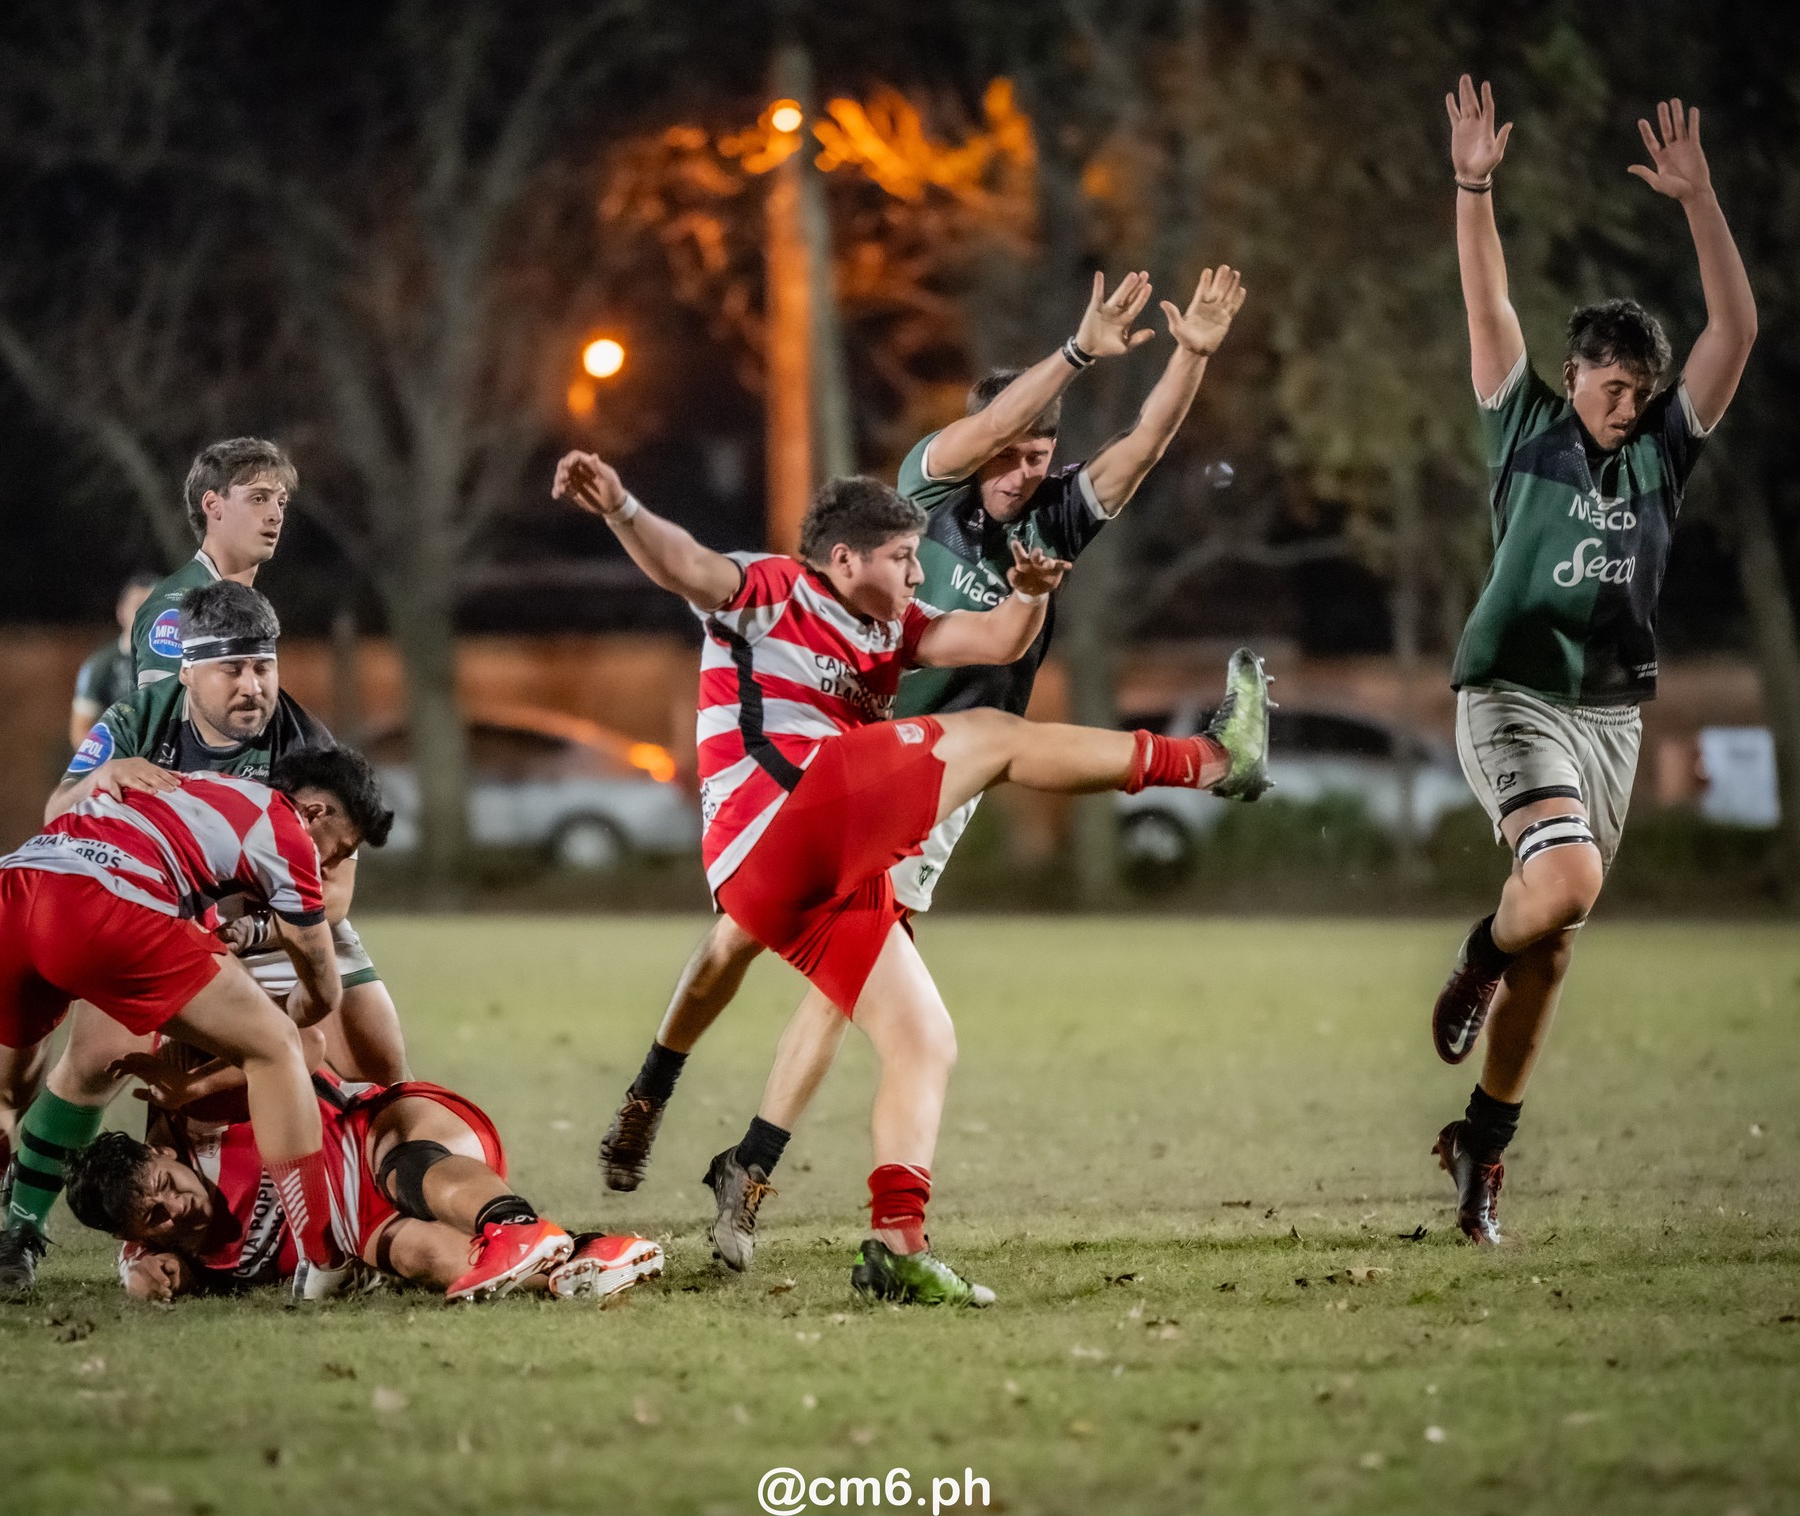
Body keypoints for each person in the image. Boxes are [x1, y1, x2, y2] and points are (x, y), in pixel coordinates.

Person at [596, 267, 1252, 1274]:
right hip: (868, 775)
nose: (1023, 470)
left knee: (895, 1016)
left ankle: (827, 1205)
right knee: (746, 947)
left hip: (918, 789)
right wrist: (1073, 354)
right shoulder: (918, 499)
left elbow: (1121, 474)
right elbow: (695, 569)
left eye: (1039, 454)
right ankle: (688, 1119)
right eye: (1010, 449)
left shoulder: (1022, 538)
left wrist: (1192, 356)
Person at [1427, 79, 1756, 1243]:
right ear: (1573, 377)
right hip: (1509, 696)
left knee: (1553, 951)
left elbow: (1735, 330)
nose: (1627, 406)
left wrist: (1699, 199)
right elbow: (1487, 298)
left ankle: (1482, 1145)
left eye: (1640, 392)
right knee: (1560, 889)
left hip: (1607, 717)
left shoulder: (1663, 453)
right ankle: (1475, 954)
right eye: (1610, 388)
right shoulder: (1520, 426)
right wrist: (1473, 185)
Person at [0, 582, 413, 1295]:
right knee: (98, 1057)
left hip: (283, 923)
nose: (252, 685)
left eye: (263, 667)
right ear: (189, 671)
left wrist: (263, 930)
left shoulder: (305, 743)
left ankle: (395, 1202)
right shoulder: (137, 718)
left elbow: (334, 892)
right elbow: (57, 811)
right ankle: (23, 1231)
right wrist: (106, 776)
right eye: (232, 669)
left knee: (381, 1058)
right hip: (156, 914)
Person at [0, 746, 394, 1304]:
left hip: (8, 898)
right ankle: (325, 1261)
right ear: (314, 814)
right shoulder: (283, 830)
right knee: (276, 1048)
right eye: (343, 849)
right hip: (101, 907)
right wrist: (279, 1022)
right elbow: (323, 990)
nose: (332, 865)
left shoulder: (185, 789)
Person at [62, 1055, 663, 1305]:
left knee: (406, 1167)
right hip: (360, 1226)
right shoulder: (184, 1263)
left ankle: (512, 1225)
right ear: (140, 1234)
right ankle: (586, 1259)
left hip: (378, 1131)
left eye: (168, 1182)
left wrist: (195, 1086)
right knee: (423, 1254)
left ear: (161, 1155)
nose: (179, 1205)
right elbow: (149, 1269)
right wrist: (141, 1274)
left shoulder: (199, 1125)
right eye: (156, 1217)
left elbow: (294, 1049)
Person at [132, 437, 294, 689]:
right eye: (259, 498)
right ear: (212, 505)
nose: (276, 516)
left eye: (281, 502)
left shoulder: (243, 605)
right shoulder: (177, 608)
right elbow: (163, 724)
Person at [69, 573, 158, 749]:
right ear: (121, 611)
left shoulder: (177, 663)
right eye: (138, 606)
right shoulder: (101, 665)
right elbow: (81, 730)